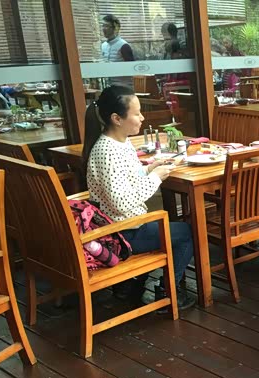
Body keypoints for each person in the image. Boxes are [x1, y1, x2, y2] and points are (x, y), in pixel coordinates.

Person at [82, 85, 195, 310]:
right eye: (136, 113)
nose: (142, 117)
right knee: (186, 233)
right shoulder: (108, 151)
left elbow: (125, 179)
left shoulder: (119, 142)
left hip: (124, 225)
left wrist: (150, 168)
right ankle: (167, 291)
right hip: (120, 233)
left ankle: (131, 284)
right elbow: (121, 203)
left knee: (172, 227)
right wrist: (156, 178)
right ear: (117, 118)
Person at [101, 15, 134, 89]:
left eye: (106, 26)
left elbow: (131, 69)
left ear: (115, 28)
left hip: (123, 88)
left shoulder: (123, 46)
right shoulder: (103, 46)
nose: (104, 29)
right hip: (108, 87)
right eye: (103, 26)